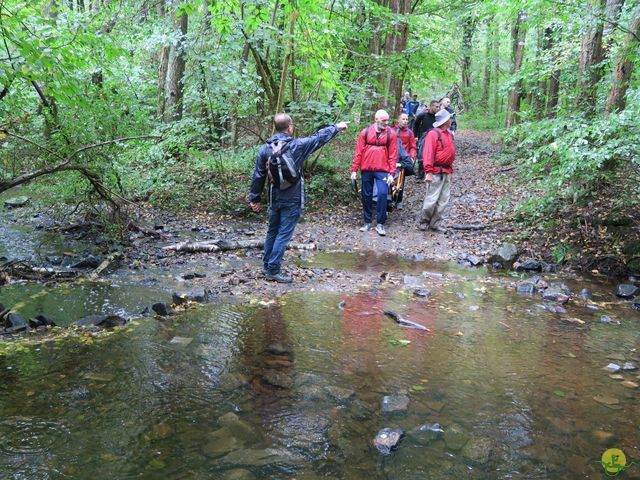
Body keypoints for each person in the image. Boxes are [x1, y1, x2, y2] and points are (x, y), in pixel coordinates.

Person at [249, 113, 349, 283]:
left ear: (275, 128)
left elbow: (258, 175)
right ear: (290, 128)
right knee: (283, 234)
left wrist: (255, 198)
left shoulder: (265, 149)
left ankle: (268, 266)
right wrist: (336, 127)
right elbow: (318, 138)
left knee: (272, 231)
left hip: (274, 197)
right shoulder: (297, 146)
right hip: (293, 198)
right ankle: (273, 270)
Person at [351, 110, 398, 236]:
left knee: (383, 194)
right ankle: (367, 221)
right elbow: (358, 152)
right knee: (366, 195)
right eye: (384, 120)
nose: (386, 123)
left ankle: (380, 223)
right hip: (366, 169)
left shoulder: (391, 134)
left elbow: (393, 155)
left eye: (387, 120)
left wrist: (391, 173)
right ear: (376, 119)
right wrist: (354, 170)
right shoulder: (365, 132)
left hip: (383, 170)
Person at [417, 109, 456, 233]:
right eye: (450, 118)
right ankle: (423, 222)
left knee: (444, 199)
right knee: (432, 198)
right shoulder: (433, 134)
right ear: (445, 121)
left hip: (447, 171)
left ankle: (435, 223)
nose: (451, 120)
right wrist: (428, 171)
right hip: (435, 171)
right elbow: (428, 153)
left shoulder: (449, 134)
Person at [413, 100, 440, 179]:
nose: (438, 108)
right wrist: (415, 136)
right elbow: (415, 124)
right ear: (431, 106)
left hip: (435, 138)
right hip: (424, 138)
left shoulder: (438, 116)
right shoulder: (422, 115)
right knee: (421, 156)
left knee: (434, 156)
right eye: (436, 107)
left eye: (439, 107)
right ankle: (420, 175)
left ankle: (431, 173)